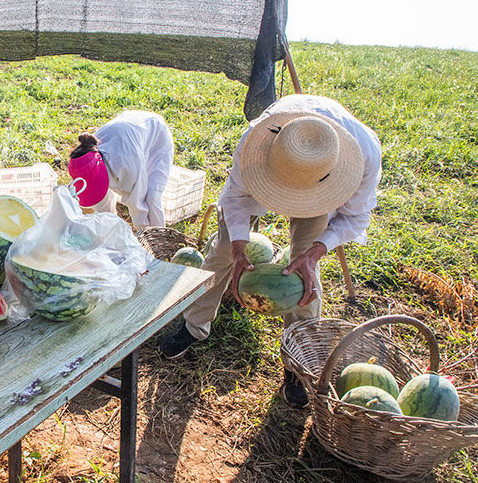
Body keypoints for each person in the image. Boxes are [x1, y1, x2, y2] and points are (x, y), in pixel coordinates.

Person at [159, 93, 382, 408]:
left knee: (305, 279)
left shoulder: (363, 157)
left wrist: (315, 252)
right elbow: (234, 200)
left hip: (323, 188)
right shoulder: (256, 143)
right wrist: (238, 248)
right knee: (221, 252)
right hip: (270, 169)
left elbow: (356, 218)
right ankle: (194, 326)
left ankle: (296, 362)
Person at [67, 110, 173, 230]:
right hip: (128, 131)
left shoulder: (127, 163)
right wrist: (110, 231)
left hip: (156, 134)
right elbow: (101, 204)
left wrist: (142, 234)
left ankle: (158, 237)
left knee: (152, 196)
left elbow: (138, 203)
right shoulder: (88, 151)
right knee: (103, 203)